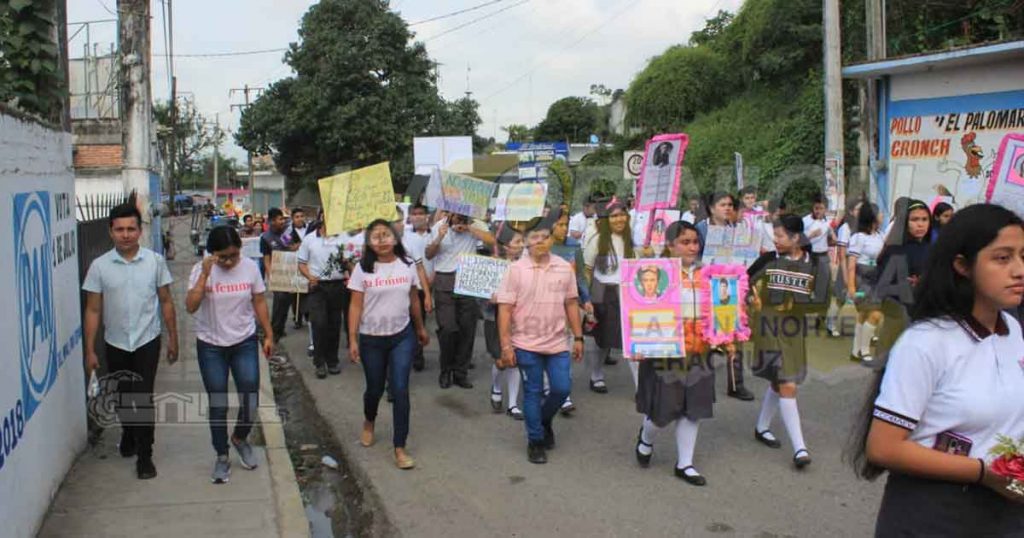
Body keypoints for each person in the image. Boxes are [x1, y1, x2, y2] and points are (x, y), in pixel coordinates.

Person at [850, 204, 1024, 535]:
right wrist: (982, 472)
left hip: (1005, 513)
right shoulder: (926, 342)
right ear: (962, 265)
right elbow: (883, 447)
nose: (1018, 270)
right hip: (934, 516)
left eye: (1023, 256)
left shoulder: (1013, 330)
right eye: (1002, 258)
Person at [83, 203, 178, 480]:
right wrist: (89, 349)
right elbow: (92, 310)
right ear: (111, 232)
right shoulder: (99, 267)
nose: (126, 235)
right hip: (115, 342)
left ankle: (145, 457)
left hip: (148, 339)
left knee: (144, 397)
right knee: (124, 397)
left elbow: (166, 301)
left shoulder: (154, 262)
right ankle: (128, 432)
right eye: (120, 230)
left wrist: (174, 338)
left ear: (139, 231)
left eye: (131, 229)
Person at [634, 221, 728, 485]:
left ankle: (685, 463)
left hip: (699, 351)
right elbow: (639, 309)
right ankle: (646, 437)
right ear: (670, 245)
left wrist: (727, 334)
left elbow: (721, 309)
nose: (692, 247)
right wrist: (639, 343)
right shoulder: (655, 273)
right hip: (665, 350)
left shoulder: (709, 274)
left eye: (695, 242)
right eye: (685, 242)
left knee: (693, 408)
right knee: (662, 411)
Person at [185, 226, 274, 484]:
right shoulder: (201, 270)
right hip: (211, 345)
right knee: (218, 403)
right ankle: (222, 455)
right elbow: (190, 306)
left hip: (244, 341)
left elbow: (258, 301)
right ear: (212, 253)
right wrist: (204, 274)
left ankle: (239, 437)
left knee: (250, 395)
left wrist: (268, 334)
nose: (227, 261)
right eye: (221, 256)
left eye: (232, 255)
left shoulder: (248, 267)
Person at [496, 220, 585, 464]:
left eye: (545, 237)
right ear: (526, 241)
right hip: (525, 343)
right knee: (533, 391)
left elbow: (571, 303)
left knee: (561, 389)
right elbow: (504, 310)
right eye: (534, 237)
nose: (540, 242)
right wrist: (506, 345)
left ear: (551, 240)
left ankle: (544, 420)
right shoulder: (515, 270)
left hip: (557, 342)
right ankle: (535, 440)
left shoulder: (564, 267)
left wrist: (578, 337)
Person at [747, 214, 828, 470]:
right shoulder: (768, 260)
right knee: (787, 383)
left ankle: (762, 427)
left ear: (796, 238)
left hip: (793, 329)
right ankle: (800, 448)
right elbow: (744, 281)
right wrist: (752, 299)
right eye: (775, 234)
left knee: (778, 380)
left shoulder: (814, 263)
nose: (775, 239)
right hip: (768, 326)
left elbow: (822, 298)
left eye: (780, 235)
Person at [348, 219, 429, 470]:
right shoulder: (363, 268)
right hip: (371, 337)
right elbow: (356, 305)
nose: (382, 240)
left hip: (401, 336)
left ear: (395, 238)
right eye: (376, 236)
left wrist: (420, 328)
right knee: (374, 388)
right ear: (369, 242)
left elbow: (414, 300)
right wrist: (352, 338)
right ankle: (369, 421)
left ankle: (399, 446)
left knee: (400, 388)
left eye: (386, 235)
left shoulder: (406, 266)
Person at [426, 212, 496, 389]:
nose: (459, 220)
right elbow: (428, 255)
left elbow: (491, 240)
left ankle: (460, 372)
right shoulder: (439, 226)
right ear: (450, 213)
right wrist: (439, 238)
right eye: (456, 217)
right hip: (444, 278)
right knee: (448, 328)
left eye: (462, 216)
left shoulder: (475, 224)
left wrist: (469, 228)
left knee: (467, 328)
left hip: (467, 278)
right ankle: (446, 369)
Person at [695, 192, 754, 401]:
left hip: (731, 288)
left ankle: (736, 384)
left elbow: (744, 259)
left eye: (730, 205)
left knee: (734, 336)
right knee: (708, 337)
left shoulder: (737, 230)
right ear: (711, 208)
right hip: (706, 289)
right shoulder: (701, 229)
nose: (727, 208)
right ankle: (702, 384)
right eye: (722, 205)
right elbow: (694, 257)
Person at [583, 198, 635, 393]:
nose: (619, 219)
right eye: (614, 216)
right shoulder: (596, 240)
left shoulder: (632, 239)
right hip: (602, 293)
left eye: (622, 214)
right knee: (601, 338)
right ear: (606, 219)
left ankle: (640, 386)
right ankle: (596, 375)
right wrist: (586, 300)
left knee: (627, 338)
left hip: (627, 294)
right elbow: (587, 270)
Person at [873, 200, 932, 366]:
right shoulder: (894, 249)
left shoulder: (931, 249)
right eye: (915, 220)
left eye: (924, 219)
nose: (920, 224)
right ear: (905, 222)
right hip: (897, 312)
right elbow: (883, 284)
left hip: (923, 312)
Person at [298, 219, 347, 378]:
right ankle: (319, 362)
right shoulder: (310, 239)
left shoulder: (343, 238)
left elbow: (350, 260)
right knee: (319, 323)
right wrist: (310, 277)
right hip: (317, 287)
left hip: (338, 285)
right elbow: (301, 263)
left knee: (334, 324)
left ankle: (332, 360)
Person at [486, 226, 525, 419]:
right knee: (501, 361)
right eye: (516, 242)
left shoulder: (527, 265)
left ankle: (512, 404)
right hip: (495, 318)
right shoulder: (493, 264)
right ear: (505, 246)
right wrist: (489, 297)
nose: (521, 245)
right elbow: (479, 291)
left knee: (514, 361)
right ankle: (496, 386)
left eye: (521, 242)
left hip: (519, 319)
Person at [846, 203, 885, 363]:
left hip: (877, 278)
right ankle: (865, 350)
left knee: (864, 314)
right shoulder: (858, 237)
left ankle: (856, 351)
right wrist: (851, 287)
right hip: (862, 279)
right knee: (875, 314)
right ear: (872, 217)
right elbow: (851, 264)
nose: (882, 216)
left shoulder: (880, 235)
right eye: (880, 213)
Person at [401, 204, 436, 371]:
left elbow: (441, 257)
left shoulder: (436, 233)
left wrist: (432, 277)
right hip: (411, 285)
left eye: (420, 214)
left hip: (431, 282)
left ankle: (417, 353)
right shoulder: (405, 237)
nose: (417, 217)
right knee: (410, 320)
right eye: (414, 214)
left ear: (427, 216)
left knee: (421, 320)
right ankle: (411, 354)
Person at [261, 207, 299, 343]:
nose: (282, 221)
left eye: (283, 218)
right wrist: (271, 275)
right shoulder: (265, 238)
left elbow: (292, 248)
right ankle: (274, 331)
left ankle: (280, 328)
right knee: (279, 301)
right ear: (271, 221)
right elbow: (266, 259)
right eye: (279, 219)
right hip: (277, 273)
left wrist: (297, 246)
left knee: (286, 301)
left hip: (289, 272)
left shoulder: (287, 233)